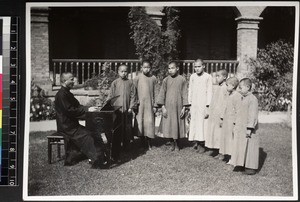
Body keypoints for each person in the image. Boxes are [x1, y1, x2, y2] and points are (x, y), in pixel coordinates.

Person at [55, 72, 108, 169]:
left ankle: (99, 157)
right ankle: (97, 160)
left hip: (72, 125)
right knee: (87, 136)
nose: (73, 81)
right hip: (66, 126)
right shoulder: (61, 95)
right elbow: (70, 110)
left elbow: (78, 106)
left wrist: (89, 108)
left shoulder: (67, 93)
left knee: (92, 132)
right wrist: (87, 111)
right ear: (64, 81)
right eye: (71, 79)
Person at [156, 61, 189, 151]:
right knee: (169, 125)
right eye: (169, 68)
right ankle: (172, 143)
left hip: (178, 107)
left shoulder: (182, 79)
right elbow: (162, 94)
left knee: (177, 124)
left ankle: (178, 143)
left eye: (172, 68)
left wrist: (184, 107)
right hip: (168, 107)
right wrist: (163, 107)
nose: (170, 70)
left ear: (177, 68)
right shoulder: (166, 80)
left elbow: (185, 93)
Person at [108, 64, 137, 161]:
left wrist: (131, 107)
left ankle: (126, 145)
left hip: (127, 110)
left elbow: (133, 96)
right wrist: (110, 107)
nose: (124, 73)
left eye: (125, 71)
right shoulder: (115, 83)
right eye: (122, 71)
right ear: (118, 72)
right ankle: (117, 145)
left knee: (127, 128)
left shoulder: (130, 83)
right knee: (117, 128)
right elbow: (111, 96)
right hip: (117, 111)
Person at [231, 78, 259, 175]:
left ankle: (250, 167)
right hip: (241, 127)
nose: (239, 90)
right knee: (241, 145)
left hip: (248, 129)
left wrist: (250, 128)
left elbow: (253, 115)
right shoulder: (242, 98)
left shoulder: (252, 99)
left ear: (248, 87)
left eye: (240, 87)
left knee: (250, 146)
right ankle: (241, 163)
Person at [188, 59, 213, 153]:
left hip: (203, 104)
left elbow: (210, 91)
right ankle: (196, 142)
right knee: (195, 122)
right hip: (194, 103)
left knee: (202, 123)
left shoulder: (208, 77)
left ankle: (202, 143)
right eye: (195, 67)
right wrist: (190, 103)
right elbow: (190, 89)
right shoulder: (192, 76)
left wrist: (207, 106)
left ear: (203, 66)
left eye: (199, 66)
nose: (197, 69)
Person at [133, 60, 157, 150]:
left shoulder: (153, 78)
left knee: (149, 122)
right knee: (141, 123)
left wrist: (155, 105)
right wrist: (135, 103)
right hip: (140, 105)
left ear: (150, 68)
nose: (146, 69)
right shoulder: (137, 78)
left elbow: (155, 92)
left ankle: (149, 142)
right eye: (145, 67)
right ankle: (142, 143)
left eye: (148, 67)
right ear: (141, 68)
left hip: (149, 105)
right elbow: (134, 92)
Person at [205, 69, 229, 159]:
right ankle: (216, 149)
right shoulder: (217, 87)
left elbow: (225, 103)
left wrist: (222, 116)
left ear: (225, 77)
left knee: (220, 133)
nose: (216, 78)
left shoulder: (225, 88)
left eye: (218, 76)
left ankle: (222, 153)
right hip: (214, 113)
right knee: (214, 132)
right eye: (216, 76)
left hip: (220, 114)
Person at [219, 77, 241, 164]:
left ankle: (234, 158)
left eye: (227, 85)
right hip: (227, 120)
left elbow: (238, 110)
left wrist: (236, 122)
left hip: (232, 121)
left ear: (232, 86)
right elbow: (224, 106)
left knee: (232, 139)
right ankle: (228, 155)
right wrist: (221, 118)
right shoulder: (229, 95)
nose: (226, 87)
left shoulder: (237, 96)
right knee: (227, 138)